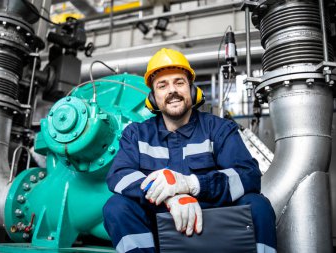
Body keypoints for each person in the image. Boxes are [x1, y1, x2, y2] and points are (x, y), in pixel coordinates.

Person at [103, 48, 277, 253]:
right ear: (153, 97)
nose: (172, 91)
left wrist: (191, 184)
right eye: (162, 85)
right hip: (158, 224)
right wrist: (170, 196)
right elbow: (118, 176)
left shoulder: (219, 129)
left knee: (258, 205)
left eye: (179, 82)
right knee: (116, 207)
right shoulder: (137, 134)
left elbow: (248, 175)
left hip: (214, 223)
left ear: (192, 90)